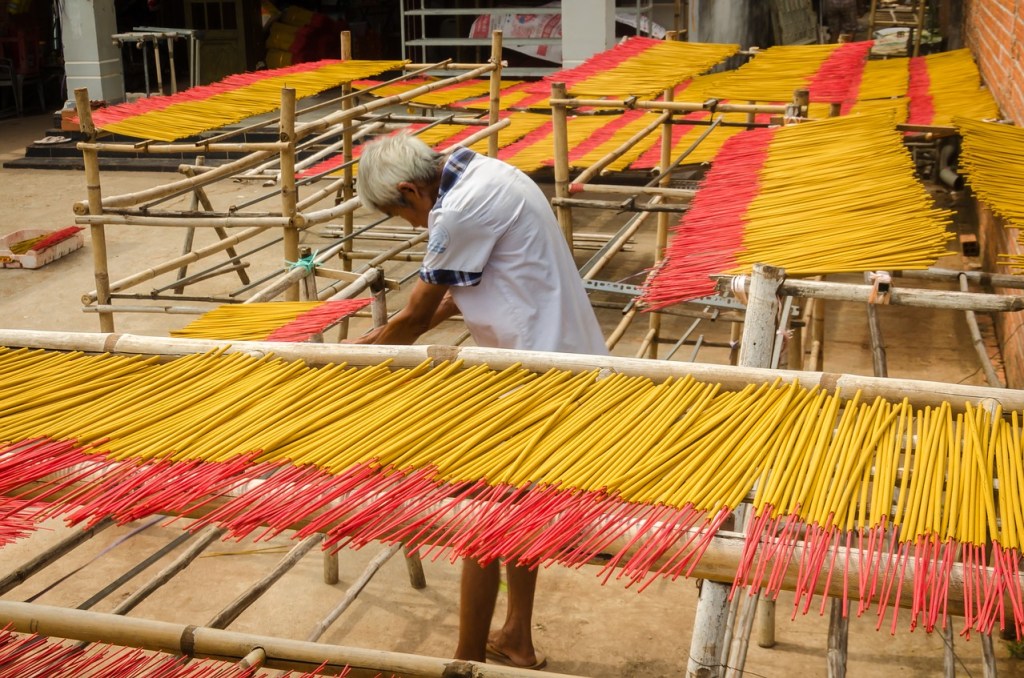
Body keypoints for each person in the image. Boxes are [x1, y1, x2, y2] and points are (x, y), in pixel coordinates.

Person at [351, 132, 607, 669]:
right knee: (517, 506)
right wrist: (388, 335)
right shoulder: (489, 174)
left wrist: (358, 364)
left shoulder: (458, 212)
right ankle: (515, 635)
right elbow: (454, 288)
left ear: (410, 191)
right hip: (555, 358)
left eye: (405, 217)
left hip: (538, 372)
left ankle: (465, 660)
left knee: (484, 511)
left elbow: (418, 315)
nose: (414, 228)